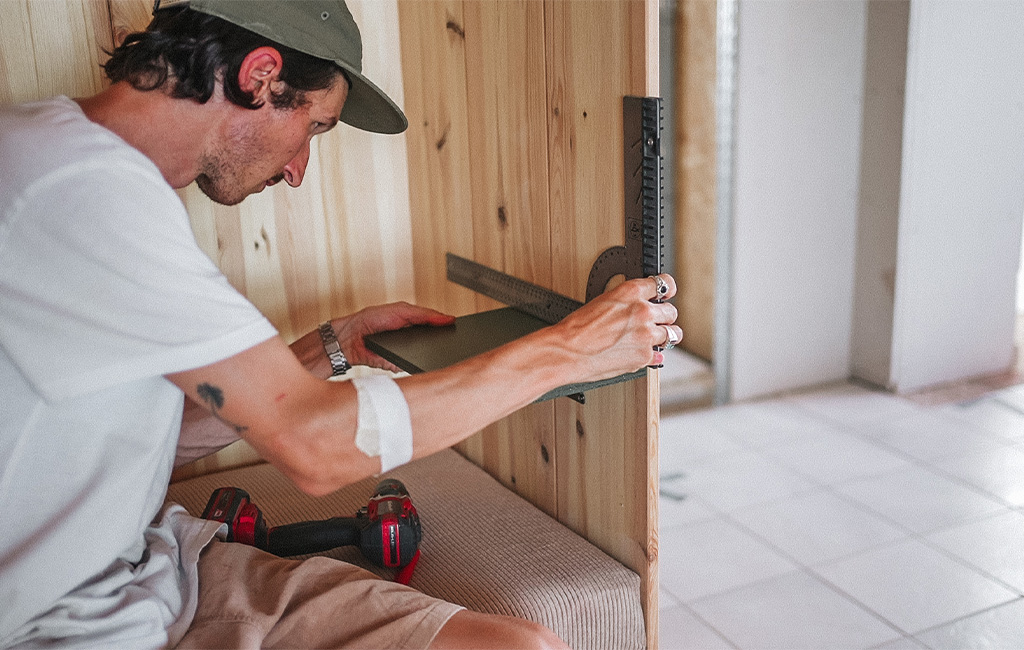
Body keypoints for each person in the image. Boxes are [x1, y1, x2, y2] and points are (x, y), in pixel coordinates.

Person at [0, 1, 682, 648]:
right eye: (315, 128)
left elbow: (157, 440)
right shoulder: (84, 195)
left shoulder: (60, 156)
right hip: (53, 623)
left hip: (150, 572)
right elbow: (317, 449)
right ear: (260, 75)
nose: (298, 170)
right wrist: (571, 349)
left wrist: (334, 347)